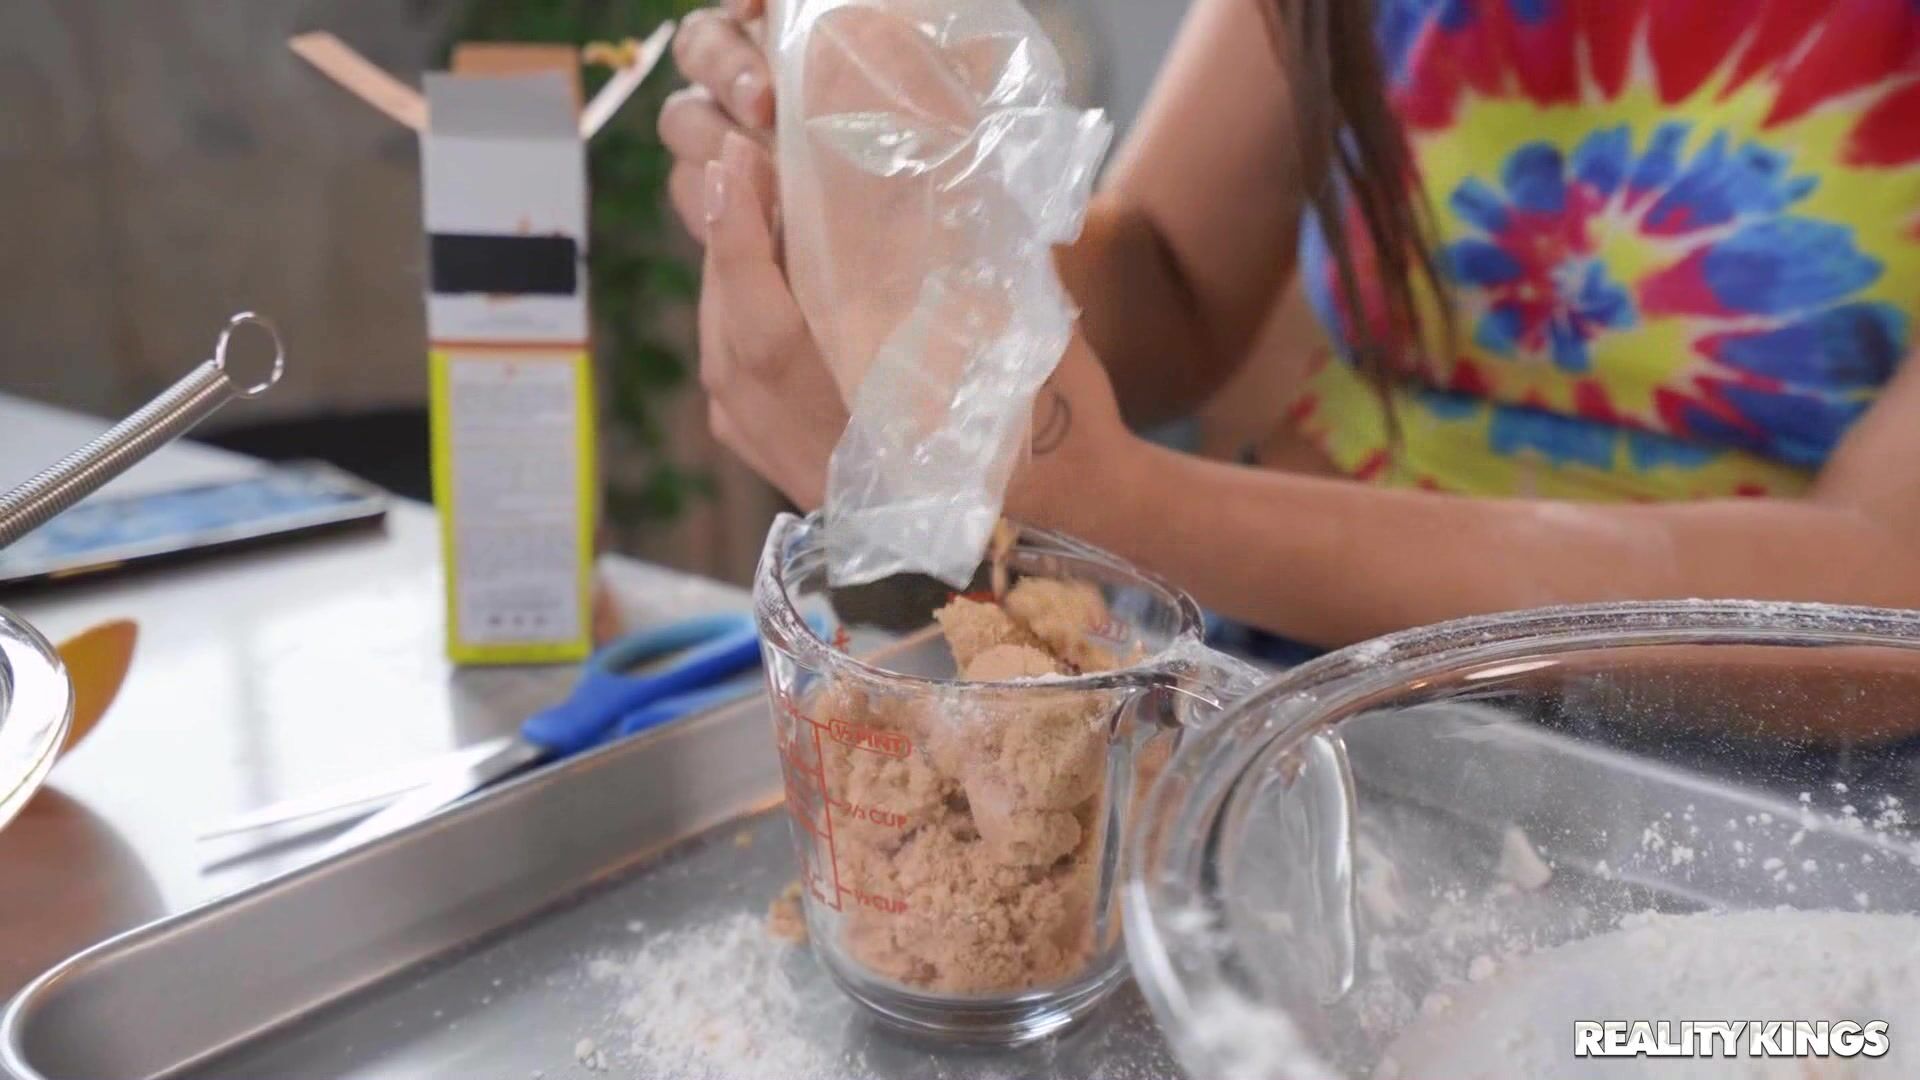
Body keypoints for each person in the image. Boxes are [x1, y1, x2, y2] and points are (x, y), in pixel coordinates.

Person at [660, 0, 1920, 650]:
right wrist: (883, 211)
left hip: (1772, 776)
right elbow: (1173, 284)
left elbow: (1883, 581)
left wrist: (1121, 508)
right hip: (1286, 676)